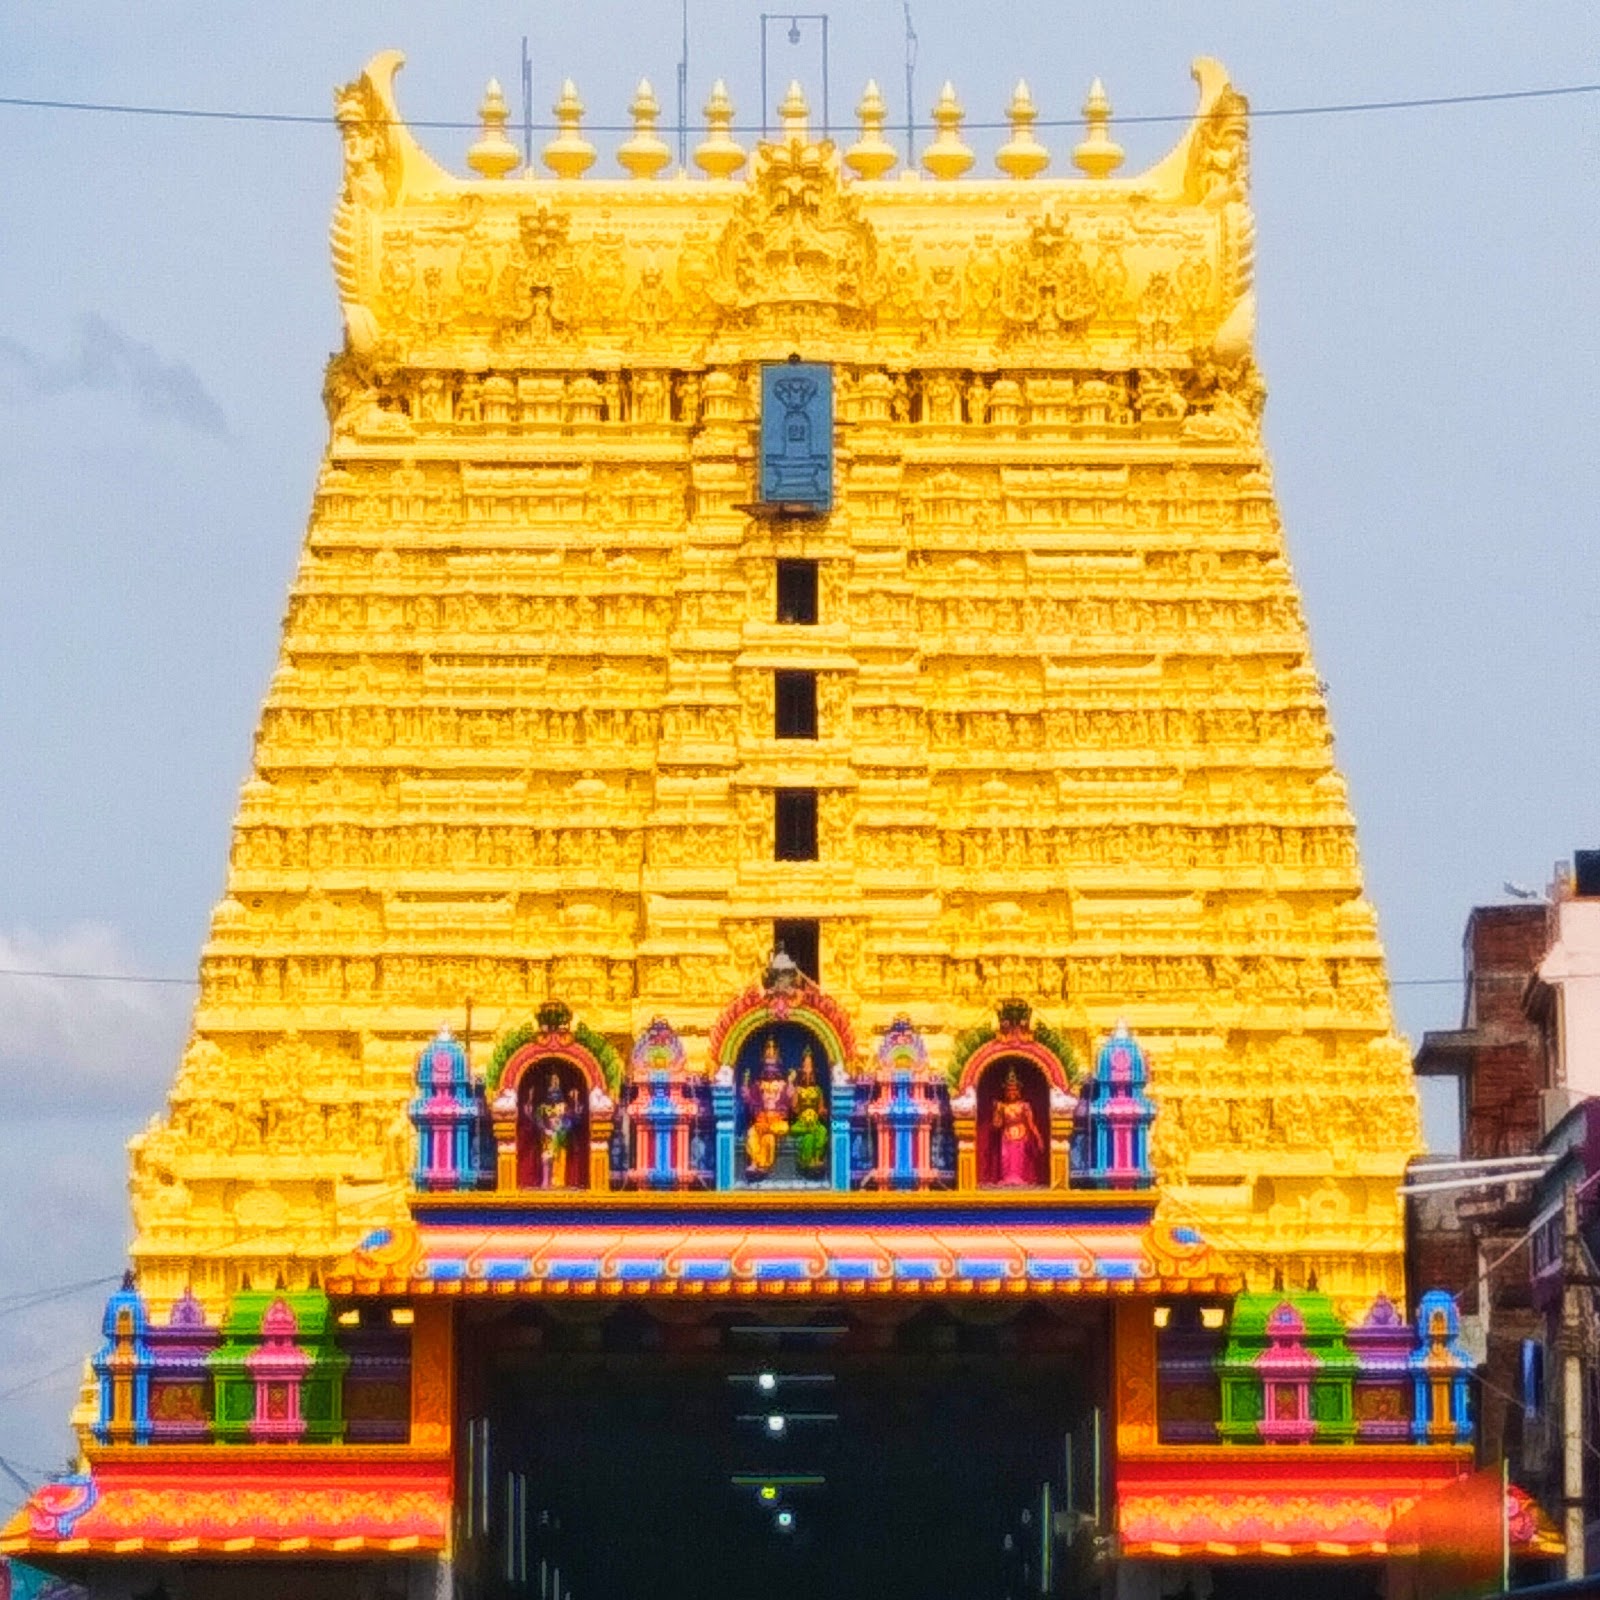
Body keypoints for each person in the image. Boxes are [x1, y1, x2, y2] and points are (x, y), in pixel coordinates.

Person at [745, 1038, 792, 1176]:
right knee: (751, 1133)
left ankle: (763, 1166)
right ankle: (755, 1163)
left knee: (769, 1138)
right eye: (768, 1050)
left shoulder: (783, 1085)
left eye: (773, 1050)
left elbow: (787, 1106)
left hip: (777, 1122)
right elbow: (753, 1104)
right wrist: (750, 1099)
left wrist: (790, 1084)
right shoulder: (758, 1085)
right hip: (762, 1121)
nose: (770, 1053)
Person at [992, 1067, 1043, 1186]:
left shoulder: (1025, 1106)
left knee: (1019, 1157)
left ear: (1018, 1090)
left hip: (1022, 1133)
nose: (1011, 1092)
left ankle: (1020, 1179)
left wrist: (1039, 1137)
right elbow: (997, 1125)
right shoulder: (1002, 1106)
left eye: (1014, 1089)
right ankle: (1007, 1179)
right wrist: (997, 1111)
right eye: (1009, 1090)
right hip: (1006, 1134)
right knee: (1006, 1157)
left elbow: (1031, 1124)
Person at [536, 1075, 579, 1188]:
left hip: (561, 1136)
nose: (554, 1085)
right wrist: (545, 1129)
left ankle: (558, 1182)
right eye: (552, 1082)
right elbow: (538, 1119)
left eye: (556, 1081)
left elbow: (571, 1119)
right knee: (547, 1158)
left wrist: (563, 1129)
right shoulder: (543, 1106)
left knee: (560, 1158)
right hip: (548, 1136)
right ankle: (546, 1182)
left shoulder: (564, 1106)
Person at [789, 1049, 828, 1174]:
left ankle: (817, 1158)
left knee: (822, 1131)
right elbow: (794, 1108)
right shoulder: (798, 1089)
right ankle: (807, 1162)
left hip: (815, 1123)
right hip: (802, 1123)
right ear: (801, 1070)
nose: (807, 1070)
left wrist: (823, 1111)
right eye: (805, 1067)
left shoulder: (818, 1090)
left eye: (810, 1067)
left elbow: (821, 1108)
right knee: (809, 1137)